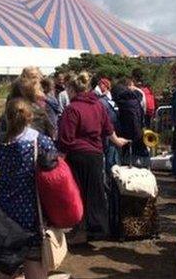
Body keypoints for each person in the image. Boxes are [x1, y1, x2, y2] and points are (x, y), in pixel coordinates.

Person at [58, 72, 129, 243]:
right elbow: (108, 128)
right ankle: (96, 228)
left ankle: (81, 231)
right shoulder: (98, 105)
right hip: (96, 155)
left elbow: (66, 138)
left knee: (78, 194)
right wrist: (118, 141)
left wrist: (59, 159)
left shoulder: (72, 109)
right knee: (95, 194)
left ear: (72, 89)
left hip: (77, 156)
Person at [0, 98, 59, 279]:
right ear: (30, 117)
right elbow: (55, 166)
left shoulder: (2, 144)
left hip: (6, 208)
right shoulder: (40, 142)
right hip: (31, 209)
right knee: (34, 261)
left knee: (7, 263)